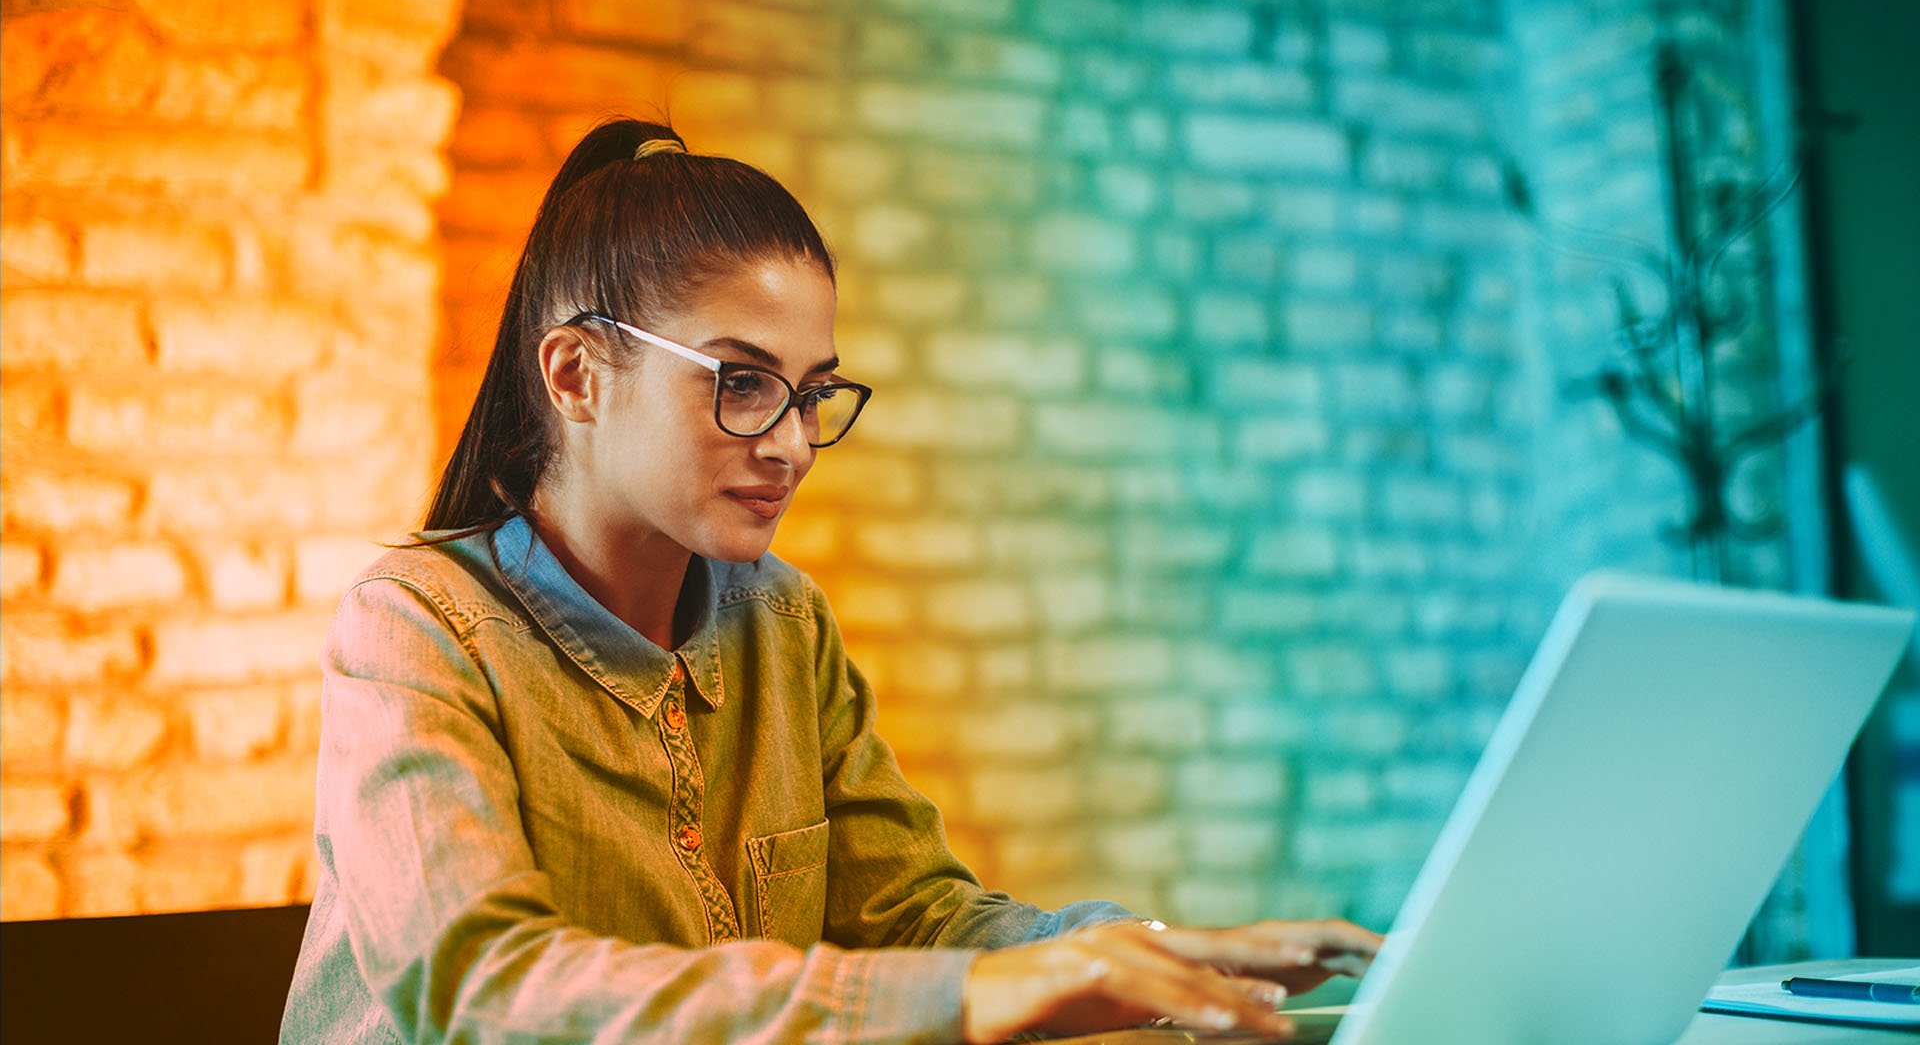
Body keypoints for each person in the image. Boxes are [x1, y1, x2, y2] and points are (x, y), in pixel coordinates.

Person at [279, 117, 1381, 1043]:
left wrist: (1151, 956)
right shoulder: (415, 629)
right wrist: (980, 994)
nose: (792, 444)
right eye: (743, 382)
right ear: (575, 373)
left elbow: (910, 917)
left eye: (812, 393)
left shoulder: (778, 619)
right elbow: (485, 993)